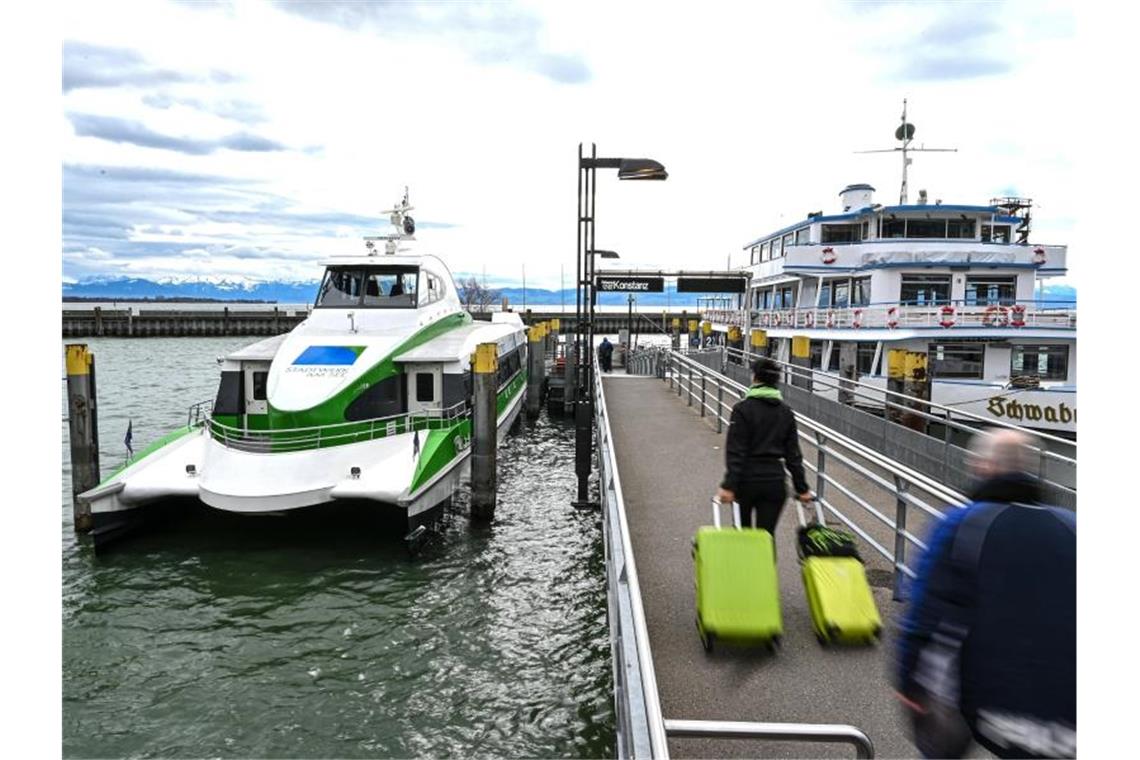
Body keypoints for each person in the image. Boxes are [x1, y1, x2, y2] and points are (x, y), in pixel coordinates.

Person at [895, 428, 1076, 759]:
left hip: (994, 702)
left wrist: (908, 682)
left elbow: (924, 618)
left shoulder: (964, 525)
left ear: (984, 468)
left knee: (939, 744)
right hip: (1069, 712)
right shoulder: (1071, 525)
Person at [717, 357, 812, 533]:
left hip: (746, 482)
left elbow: (736, 452)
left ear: (755, 378)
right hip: (774, 482)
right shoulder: (785, 412)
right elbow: (793, 456)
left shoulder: (742, 409)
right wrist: (802, 488)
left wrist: (729, 485)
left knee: (742, 536)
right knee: (766, 537)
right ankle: (767, 560)